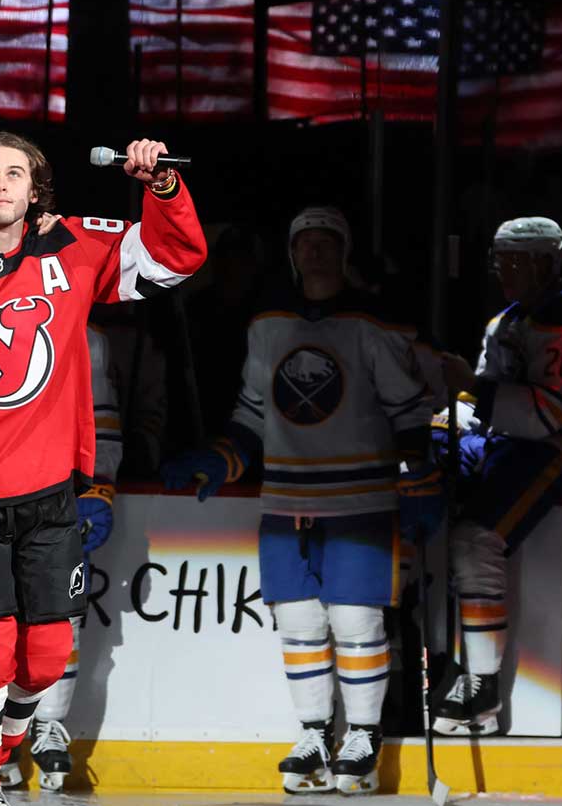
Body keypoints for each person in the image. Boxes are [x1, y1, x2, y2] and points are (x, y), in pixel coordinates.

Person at [0, 132, 206, 805]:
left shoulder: (70, 248)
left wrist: (161, 187)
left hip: (49, 488)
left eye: (15, 173)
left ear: (34, 191)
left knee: (47, 656)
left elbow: (174, 258)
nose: (0, 184)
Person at [161, 205, 435, 795]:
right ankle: (315, 731)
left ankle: (361, 735)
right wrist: (222, 457)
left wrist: (417, 478)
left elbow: (410, 412)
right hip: (285, 499)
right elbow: (254, 414)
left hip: (360, 498)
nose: (315, 250)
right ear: (292, 254)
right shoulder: (269, 324)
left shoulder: (370, 324)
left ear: (344, 252)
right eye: (305, 241)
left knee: (357, 620)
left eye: (326, 241)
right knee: (299, 621)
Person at [437, 217, 562, 736]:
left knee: (476, 539)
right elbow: (481, 405)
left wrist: (471, 389)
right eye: (502, 261)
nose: (506, 272)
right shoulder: (502, 323)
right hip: (518, 442)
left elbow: (546, 416)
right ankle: (448, 663)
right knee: (429, 479)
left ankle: (482, 686)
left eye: (518, 261)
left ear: (548, 264)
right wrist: (447, 422)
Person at [0, 322, 121, 792]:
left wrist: (99, 483)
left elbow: (101, 416)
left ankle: (49, 725)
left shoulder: (85, 334)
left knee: (57, 619)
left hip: (58, 493)